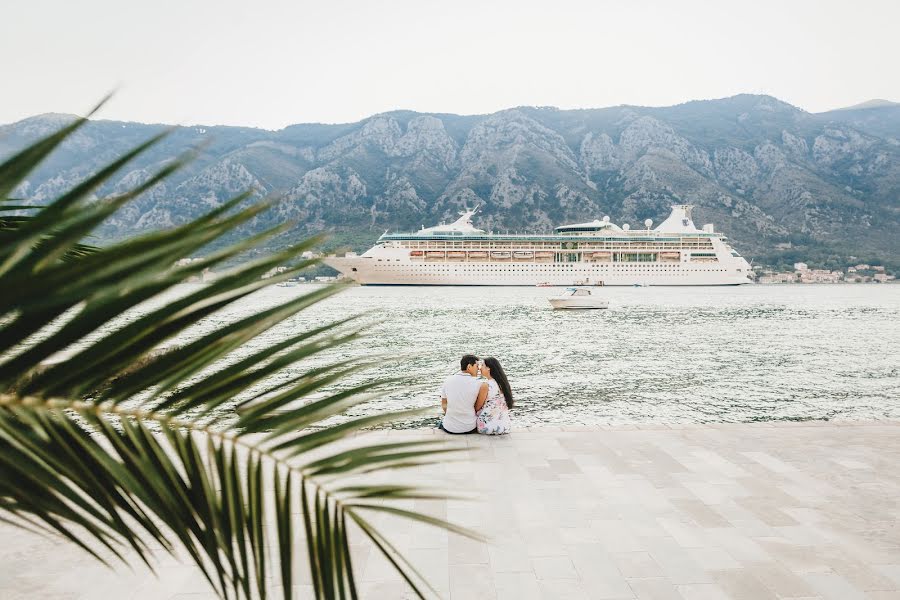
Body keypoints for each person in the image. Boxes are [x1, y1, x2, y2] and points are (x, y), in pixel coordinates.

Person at [439, 354, 488, 434]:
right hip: (469, 427)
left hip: (450, 427)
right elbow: (477, 408)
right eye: (476, 366)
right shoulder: (479, 383)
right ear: (469, 367)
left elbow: (444, 404)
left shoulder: (448, 380)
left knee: (441, 422)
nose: (478, 369)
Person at [476, 356, 513, 435]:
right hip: (505, 427)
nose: (479, 368)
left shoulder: (486, 385)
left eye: (482, 365)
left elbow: (477, 407)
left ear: (488, 368)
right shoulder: (503, 384)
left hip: (486, 427)